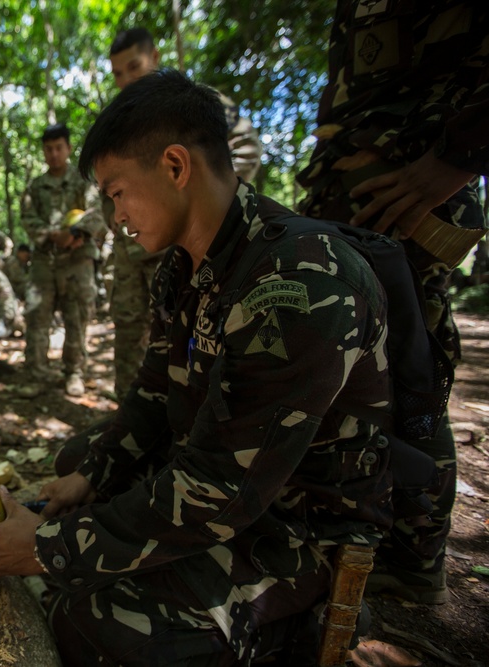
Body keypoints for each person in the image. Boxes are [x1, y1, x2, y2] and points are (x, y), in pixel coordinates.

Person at [0, 70, 394, 666]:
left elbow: (221, 490)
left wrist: (51, 549)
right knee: (82, 461)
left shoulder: (299, 281)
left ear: (176, 167)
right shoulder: (186, 267)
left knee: (90, 616)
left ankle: (288, 634)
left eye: (117, 190)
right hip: (222, 482)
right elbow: (156, 391)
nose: (114, 215)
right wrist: (95, 476)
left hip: (294, 527)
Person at [296, 0, 489, 605]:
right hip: (350, 197)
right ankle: (356, 536)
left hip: (406, 199)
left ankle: (414, 559)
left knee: (414, 377)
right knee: (344, 378)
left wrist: (453, 161)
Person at [105, 27, 263, 400]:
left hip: (187, 248)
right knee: (129, 329)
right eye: (117, 73)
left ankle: (188, 419)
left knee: (193, 332)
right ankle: (130, 410)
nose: (126, 80)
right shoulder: (118, 125)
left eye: (134, 67)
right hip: (130, 252)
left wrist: (194, 203)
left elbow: (244, 152)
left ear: (155, 58)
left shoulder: (195, 104)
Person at [20, 123, 106, 397]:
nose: (54, 154)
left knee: (77, 316)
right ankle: (37, 374)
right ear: (43, 152)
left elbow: (99, 211)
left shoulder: (83, 181)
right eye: (48, 149)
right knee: (36, 316)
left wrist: (77, 233)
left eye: (59, 148)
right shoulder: (35, 187)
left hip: (77, 260)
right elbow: (27, 218)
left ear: (68, 148)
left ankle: (74, 372)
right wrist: (51, 235)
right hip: (44, 261)